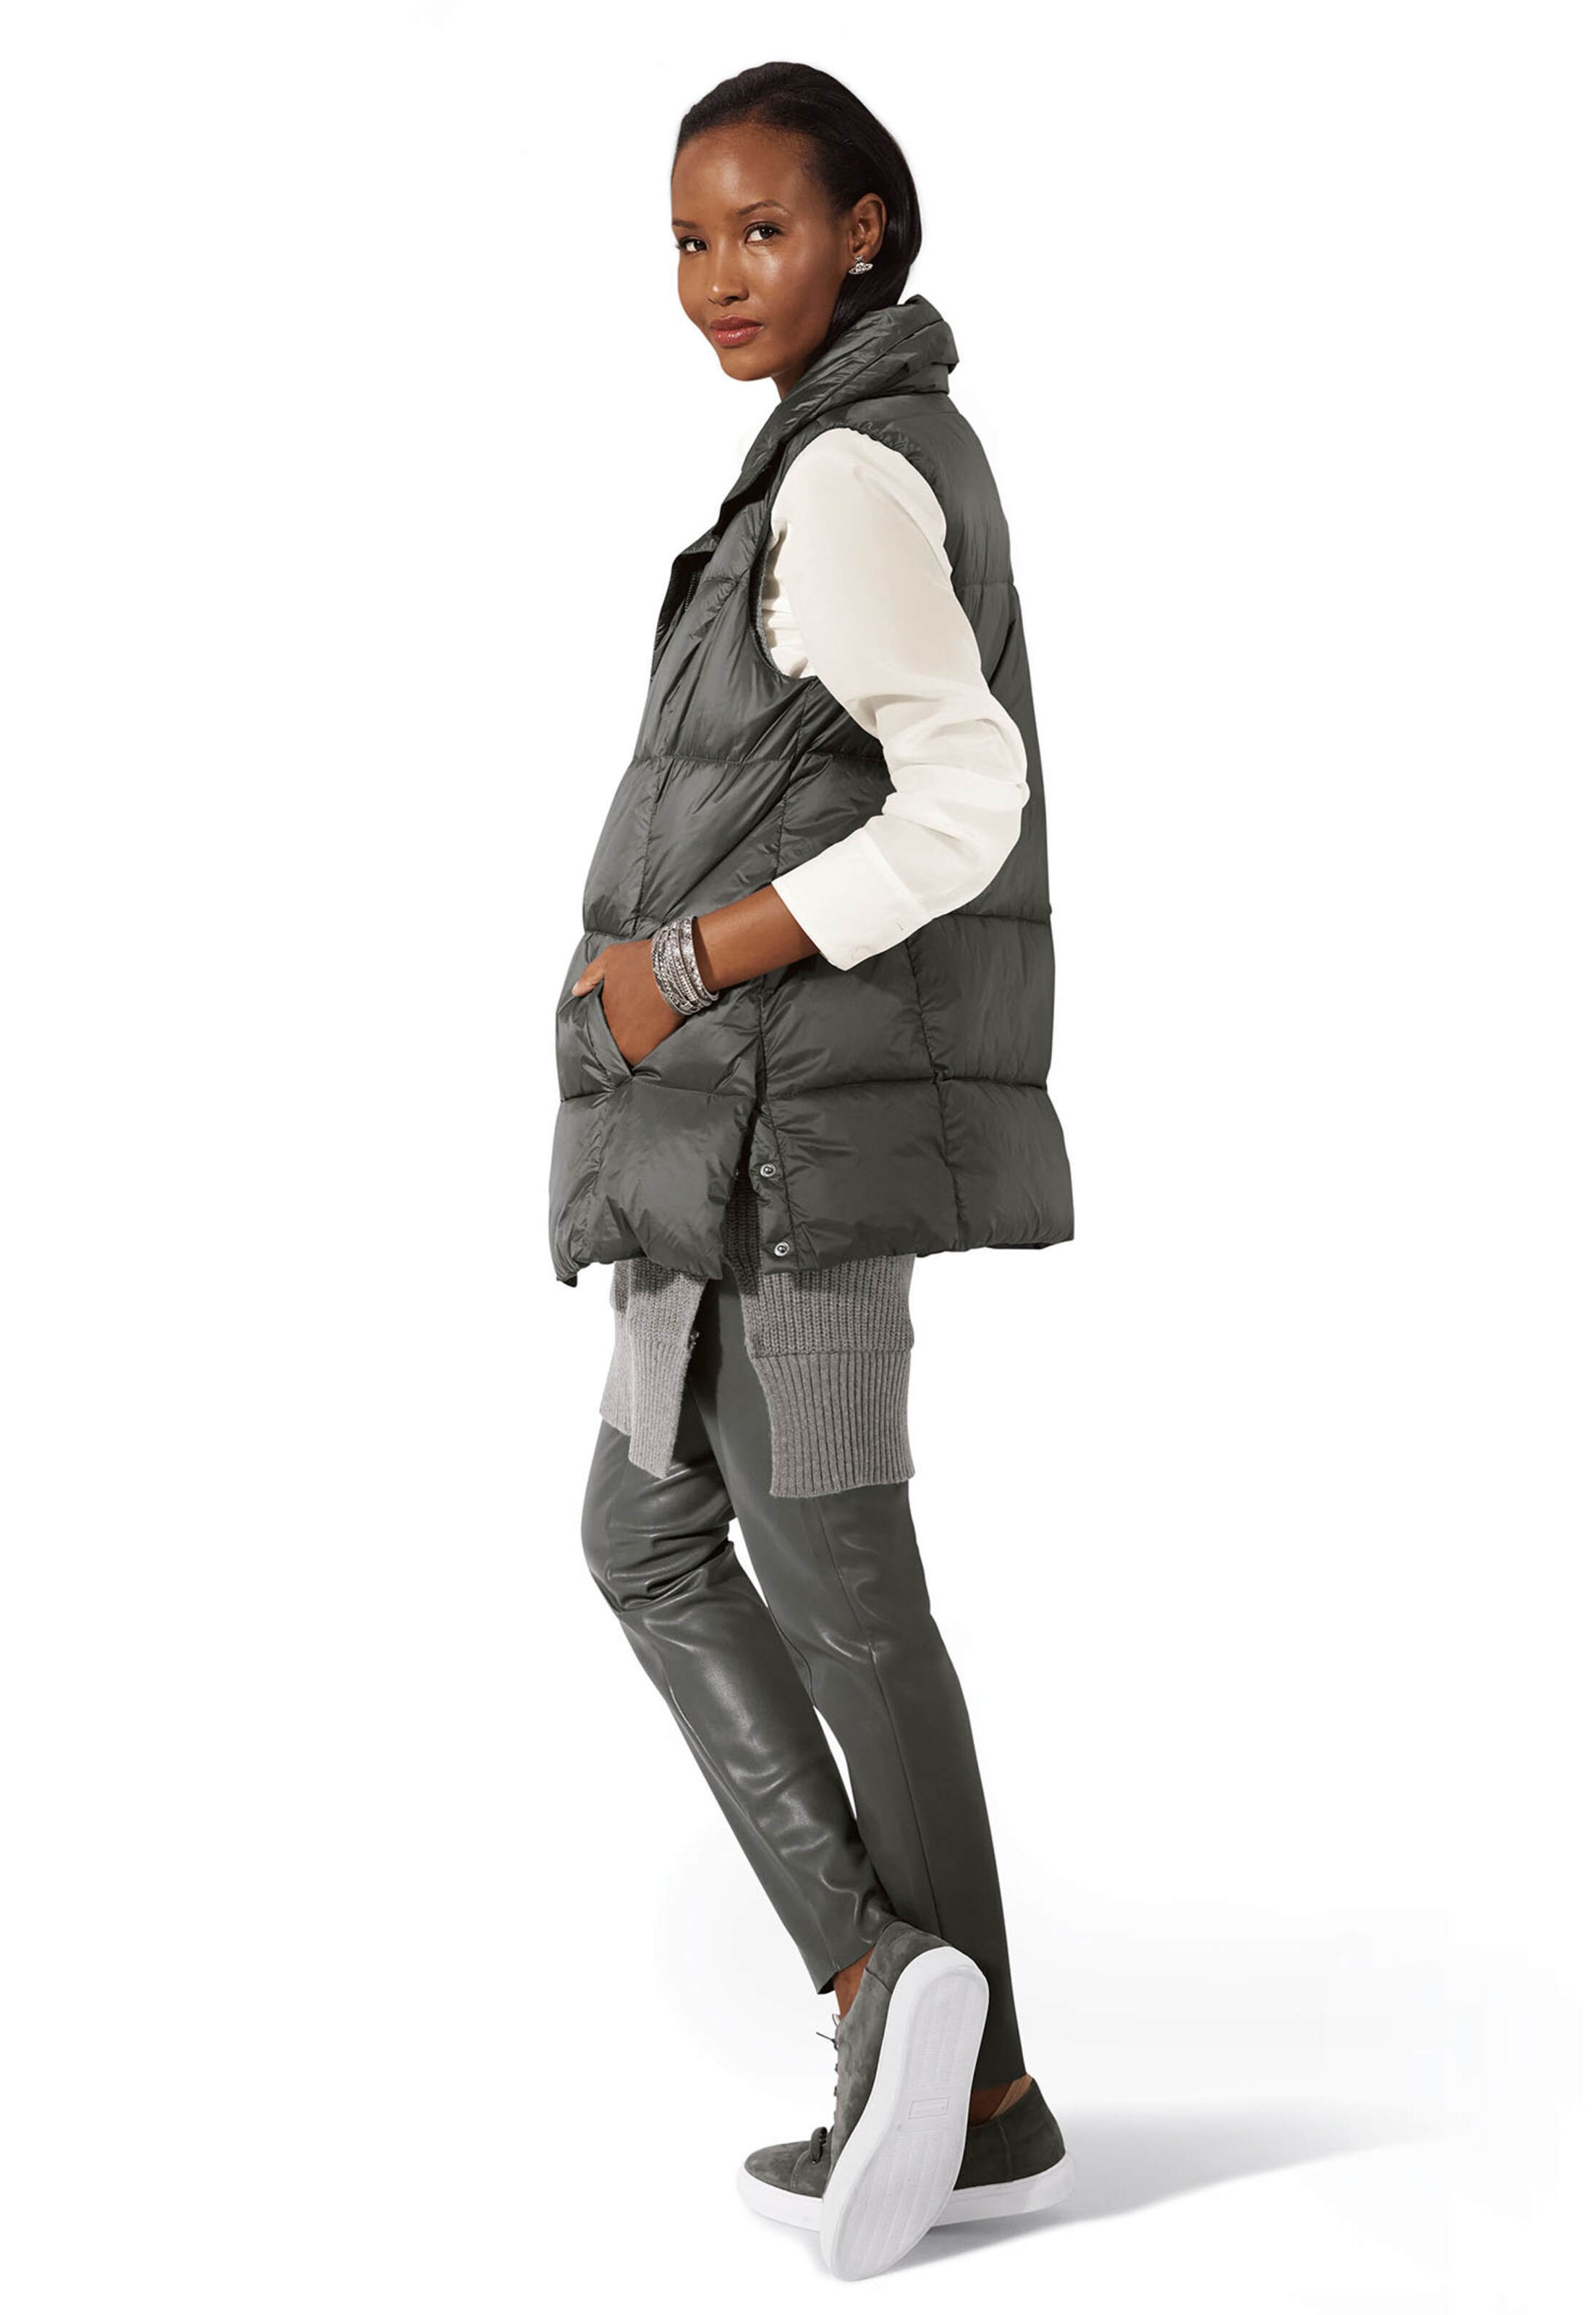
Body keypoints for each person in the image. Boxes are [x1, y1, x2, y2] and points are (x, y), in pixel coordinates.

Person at [547, 61, 1075, 2278]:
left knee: (831, 1579)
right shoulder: (824, 457)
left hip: (789, 1152)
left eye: (760, 229)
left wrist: (680, 964)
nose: (716, 277)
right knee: (657, 1532)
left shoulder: (850, 474)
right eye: (688, 238)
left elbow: (963, 804)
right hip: (729, 1139)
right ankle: (965, 2065)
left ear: (865, 232)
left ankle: (910, 2016)